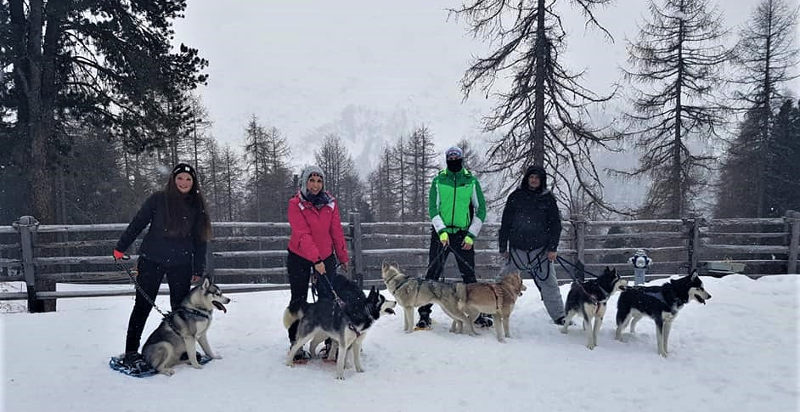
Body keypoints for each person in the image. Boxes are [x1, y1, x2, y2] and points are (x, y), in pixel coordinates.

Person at [113, 163, 211, 370]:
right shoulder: (158, 199)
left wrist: (198, 268)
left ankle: (183, 350)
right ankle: (131, 352)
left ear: (194, 183)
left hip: (181, 264)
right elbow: (138, 223)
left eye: (188, 179)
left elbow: (200, 240)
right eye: (180, 178)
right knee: (143, 306)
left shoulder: (196, 205)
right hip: (152, 260)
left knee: (180, 310)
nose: (184, 182)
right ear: (173, 180)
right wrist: (121, 247)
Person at [416, 146, 489, 329]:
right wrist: (441, 231)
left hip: (464, 234)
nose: (454, 159)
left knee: (469, 275)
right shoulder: (439, 180)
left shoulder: (471, 181)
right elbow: (433, 208)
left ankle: (476, 314)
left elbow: (481, 209)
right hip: (441, 234)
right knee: (432, 274)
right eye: (450, 157)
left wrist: (471, 235)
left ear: (462, 159)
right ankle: (424, 314)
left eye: (457, 157)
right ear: (447, 159)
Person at [286, 165, 349, 360]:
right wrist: (315, 260)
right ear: (305, 182)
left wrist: (342, 256)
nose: (315, 185)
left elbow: (336, 231)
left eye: (319, 181)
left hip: (326, 256)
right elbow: (302, 234)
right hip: (299, 256)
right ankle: (296, 342)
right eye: (311, 180)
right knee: (299, 299)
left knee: (327, 299)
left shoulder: (330, 203)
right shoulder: (296, 204)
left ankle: (331, 342)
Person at [498, 165, 567, 325]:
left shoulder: (548, 199)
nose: (534, 180)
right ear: (527, 178)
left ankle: (559, 316)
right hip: (517, 249)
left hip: (541, 251)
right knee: (502, 281)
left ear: (542, 180)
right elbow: (506, 223)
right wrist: (503, 247)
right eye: (531, 177)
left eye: (537, 178)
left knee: (549, 283)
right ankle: (490, 310)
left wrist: (553, 248)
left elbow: (555, 225)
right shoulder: (515, 196)